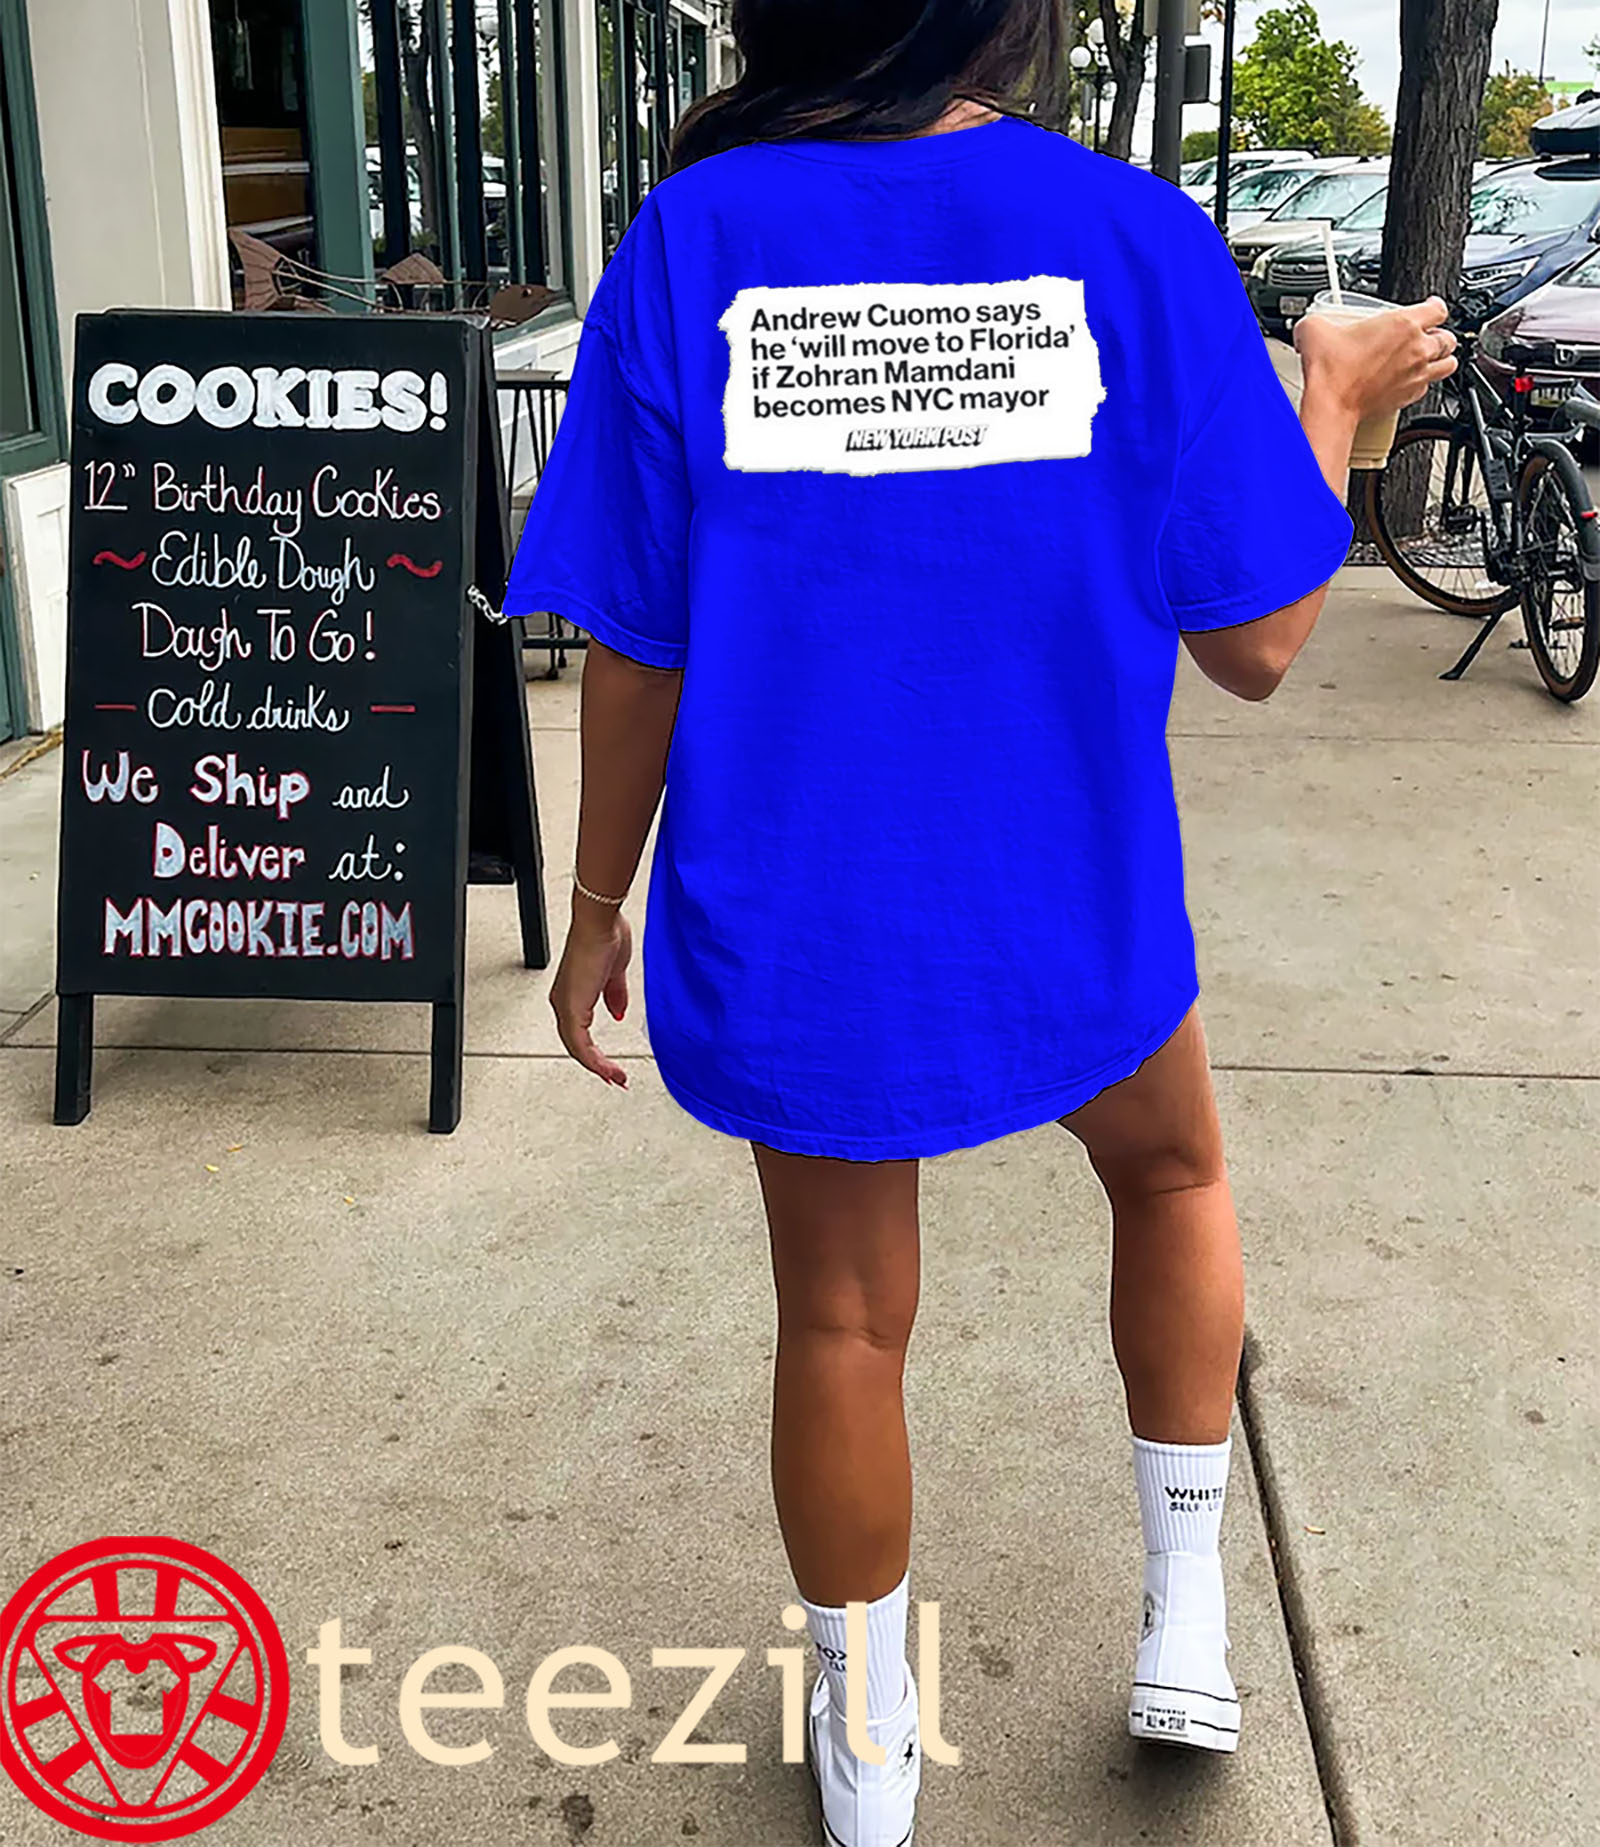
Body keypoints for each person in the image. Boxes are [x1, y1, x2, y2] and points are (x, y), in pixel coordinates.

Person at [503, 3, 1456, 1840]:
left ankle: (870, 1752)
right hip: (1066, 882)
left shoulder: (695, 237)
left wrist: (596, 901)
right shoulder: (1133, 232)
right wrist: (1333, 399)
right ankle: (1188, 1621)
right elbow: (1261, 641)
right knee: (1171, 1175)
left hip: (802, 905)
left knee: (842, 1321)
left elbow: (636, 641)